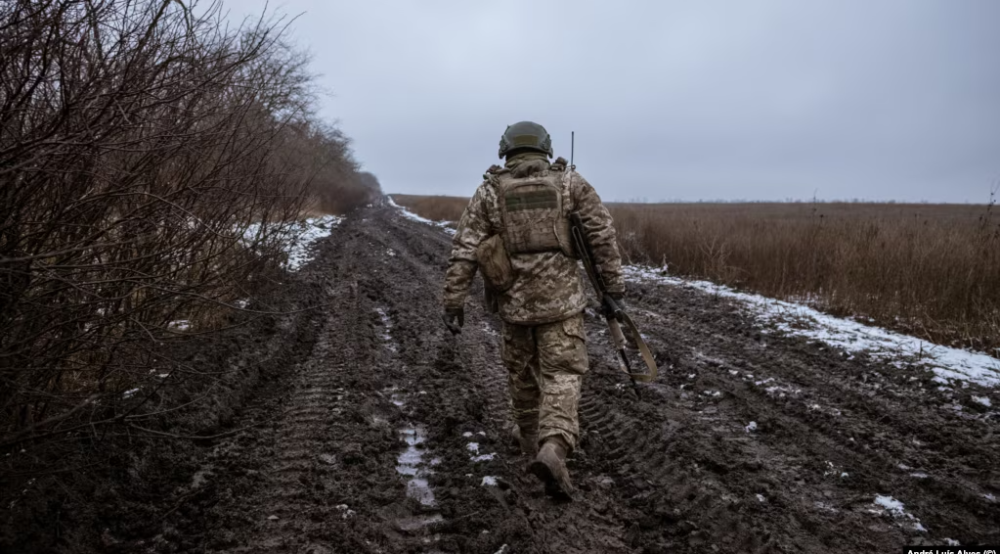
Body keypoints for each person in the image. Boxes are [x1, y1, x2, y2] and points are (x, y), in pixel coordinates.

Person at [441, 121, 624, 499]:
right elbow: (601, 237)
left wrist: (454, 300)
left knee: (521, 373)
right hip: (562, 307)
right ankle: (554, 446)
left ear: (506, 150)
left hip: (514, 307)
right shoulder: (571, 184)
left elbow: (464, 249)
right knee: (562, 374)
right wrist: (613, 290)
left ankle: (529, 441)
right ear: (544, 148)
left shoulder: (490, 192)